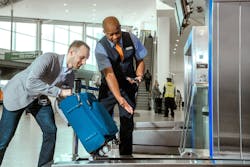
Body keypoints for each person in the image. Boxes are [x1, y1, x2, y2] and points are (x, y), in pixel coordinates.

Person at [0, 40, 90, 167]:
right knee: (4, 139)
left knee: (50, 131)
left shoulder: (70, 76)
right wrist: (59, 91)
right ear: (71, 52)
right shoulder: (48, 59)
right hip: (18, 94)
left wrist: (71, 120)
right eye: (82, 58)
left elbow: (62, 101)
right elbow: (31, 83)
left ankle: (44, 165)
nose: (84, 62)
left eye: (86, 59)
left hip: (38, 97)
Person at [95, 16, 147, 156]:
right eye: (110, 34)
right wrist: (119, 98)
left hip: (128, 86)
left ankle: (126, 155)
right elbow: (109, 74)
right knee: (102, 118)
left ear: (120, 27)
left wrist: (139, 77)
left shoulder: (131, 38)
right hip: (109, 88)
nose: (115, 37)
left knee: (127, 121)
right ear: (104, 32)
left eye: (117, 32)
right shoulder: (101, 47)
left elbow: (140, 59)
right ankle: (100, 152)